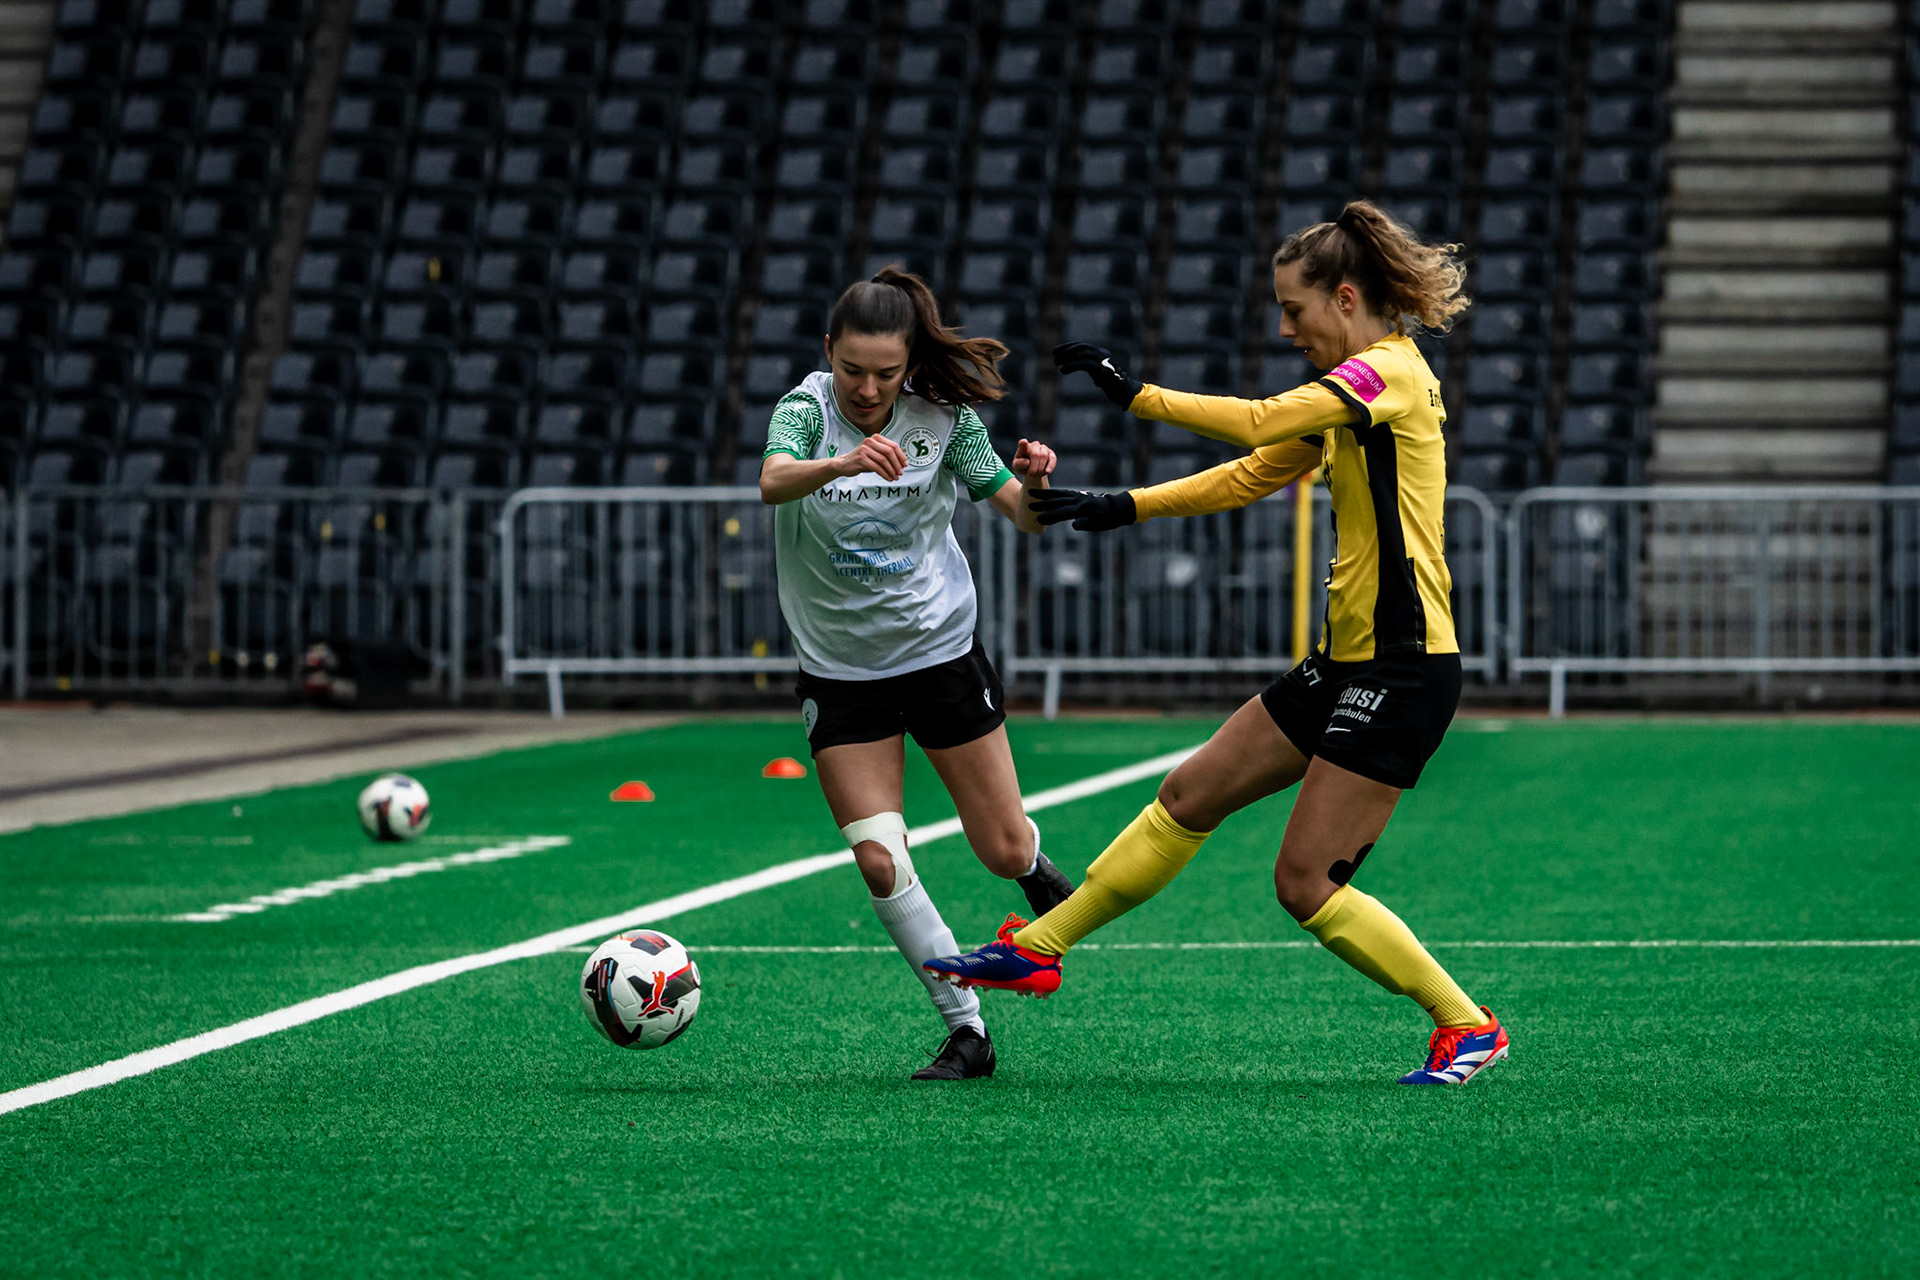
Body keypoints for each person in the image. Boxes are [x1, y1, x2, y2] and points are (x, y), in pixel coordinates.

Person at [924, 201, 1508, 1086]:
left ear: (1345, 299)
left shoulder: (1383, 374)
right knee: (1190, 792)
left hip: (1403, 669)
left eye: (1294, 309)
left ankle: (1467, 1026)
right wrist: (1124, 504)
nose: (1285, 328)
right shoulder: (1353, 392)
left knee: (1304, 884)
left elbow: (1257, 423)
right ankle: (1038, 947)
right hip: (1346, 660)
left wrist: (1133, 394)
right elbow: (1251, 474)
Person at [759, 265, 1071, 1081]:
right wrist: (842, 463)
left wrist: (1036, 482)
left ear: (909, 366)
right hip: (839, 673)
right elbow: (771, 480)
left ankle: (1032, 865)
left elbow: (1020, 515)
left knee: (999, 847)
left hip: (939, 652)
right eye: (852, 368)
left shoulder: (946, 418)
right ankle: (966, 1029)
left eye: (885, 373)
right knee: (879, 858)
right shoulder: (805, 410)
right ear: (829, 352)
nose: (867, 388)